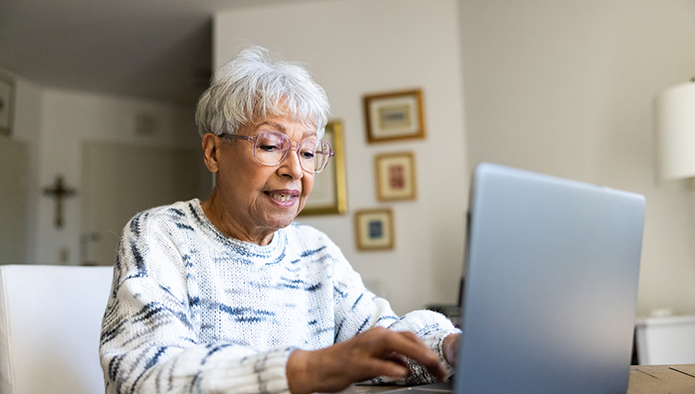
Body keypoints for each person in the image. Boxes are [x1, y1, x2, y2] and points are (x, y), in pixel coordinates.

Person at [99, 46, 461, 394]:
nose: (295, 170)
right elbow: (143, 374)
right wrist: (307, 370)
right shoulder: (161, 235)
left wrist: (449, 347)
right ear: (213, 152)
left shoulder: (314, 251)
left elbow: (380, 337)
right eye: (271, 146)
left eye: (307, 152)